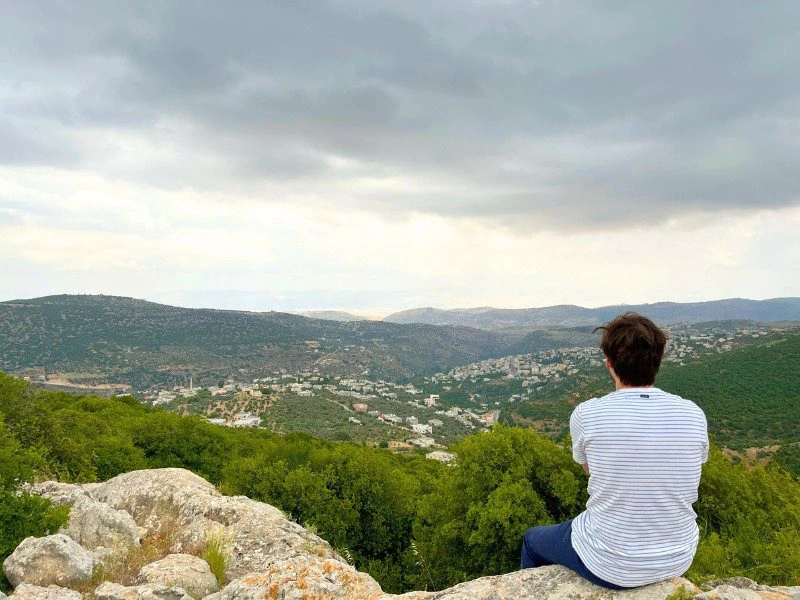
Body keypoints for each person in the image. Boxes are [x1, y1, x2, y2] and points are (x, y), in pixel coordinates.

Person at [520, 312, 709, 589]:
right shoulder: (693, 414)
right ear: (658, 361)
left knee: (532, 539)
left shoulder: (587, 414)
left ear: (609, 363)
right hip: (677, 557)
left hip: (608, 564)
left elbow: (590, 471)